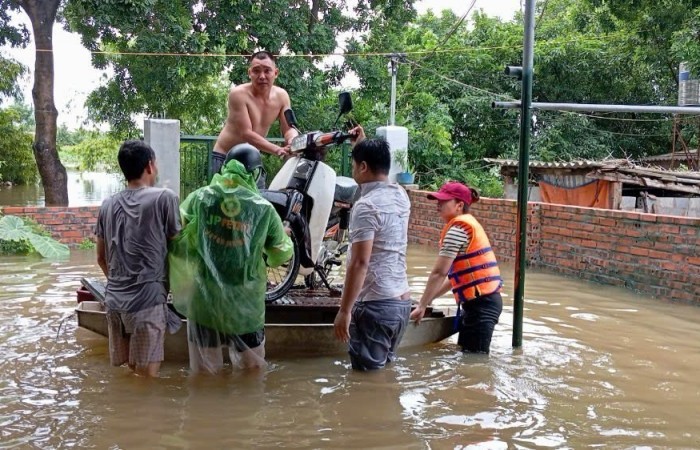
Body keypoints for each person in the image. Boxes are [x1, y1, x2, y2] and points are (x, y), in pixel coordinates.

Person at [169, 143, 293, 374]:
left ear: (224, 168)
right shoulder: (264, 209)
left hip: (204, 300)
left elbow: (175, 237)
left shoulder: (200, 198)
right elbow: (280, 254)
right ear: (255, 173)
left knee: (205, 375)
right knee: (252, 372)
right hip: (245, 304)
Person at [95, 140, 182, 377]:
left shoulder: (107, 205)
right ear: (150, 166)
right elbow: (180, 246)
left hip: (115, 301)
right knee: (146, 379)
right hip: (148, 301)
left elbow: (101, 258)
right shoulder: (165, 198)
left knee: (132, 371)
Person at [333, 126, 412, 371]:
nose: (353, 168)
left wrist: (344, 311)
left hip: (376, 306)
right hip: (401, 304)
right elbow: (376, 178)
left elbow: (360, 263)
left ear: (363, 167)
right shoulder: (401, 195)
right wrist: (362, 144)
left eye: (355, 164)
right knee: (383, 373)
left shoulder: (366, 207)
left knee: (366, 381)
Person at [410, 181, 503, 354]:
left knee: (475, 363)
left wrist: (422, 305)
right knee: (467, 359)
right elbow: (455, 279)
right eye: (438, 200)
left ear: (459, 205)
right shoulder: (465, 225)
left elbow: (439, 272)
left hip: (482, 306)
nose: (438, 204)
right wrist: (428, 300)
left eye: (444, 201)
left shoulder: (458, 229)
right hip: (481, 304)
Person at [210, 50, 299, 185]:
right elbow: (246, 134)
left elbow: (289, 128)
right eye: (256, 71)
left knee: (258, 203)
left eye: (267, 71)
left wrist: (293, 140)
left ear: (276, 73)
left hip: (252, 158)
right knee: (225, 205)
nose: (262, 76)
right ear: (249, 73)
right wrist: (278, 149)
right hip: (227, 157)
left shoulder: (282, 96)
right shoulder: (238, 94)